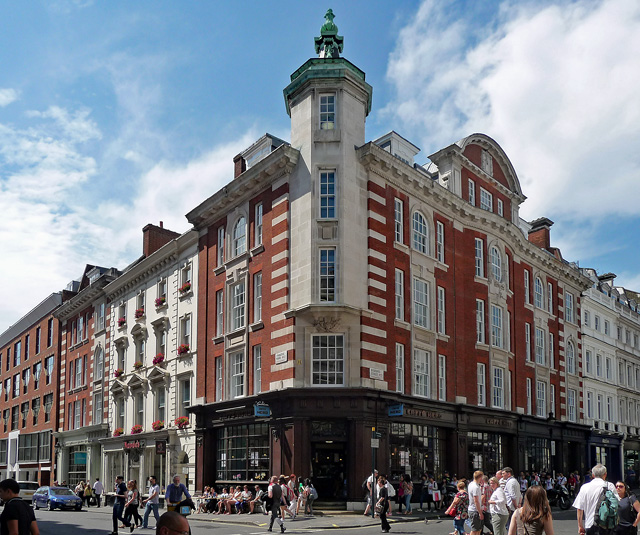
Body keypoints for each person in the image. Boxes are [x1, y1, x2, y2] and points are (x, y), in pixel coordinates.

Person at [574, 464, 617, 535]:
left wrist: (580, 526)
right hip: (606, 525)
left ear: (593, 475)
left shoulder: (584, 487)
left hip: (590, 525)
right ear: (605, 474)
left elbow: (579, 508)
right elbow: (616, 504)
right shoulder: (609, 486)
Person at [468, 470, 485, 535]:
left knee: (478, 530)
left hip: (473, 509)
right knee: (475, 530)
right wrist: (480, 513)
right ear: (480, 477)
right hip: (475, 510)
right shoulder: (475, 487)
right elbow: (476, 501)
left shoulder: (471, 484)